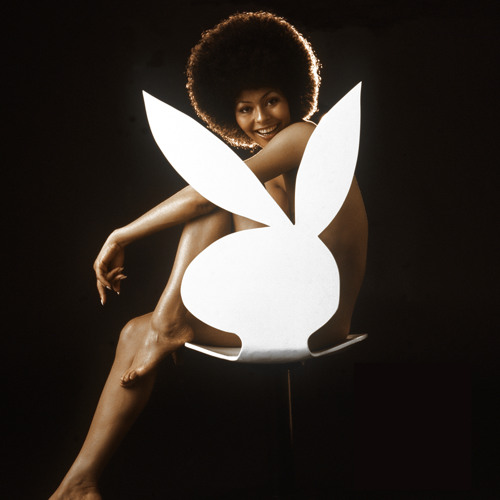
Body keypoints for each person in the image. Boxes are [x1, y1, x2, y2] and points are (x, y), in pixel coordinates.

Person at [50, 11, 368, 499]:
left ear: (293, 95)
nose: (260, 119)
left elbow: (207, 195)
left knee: (218, 193)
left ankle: (168, 323)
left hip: (317, 316)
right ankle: (80, 481)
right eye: (244, 109)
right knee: (134, 331)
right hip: (287, 305)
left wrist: (122, 234)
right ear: (228, 113)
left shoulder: (306, 137)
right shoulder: (269, 172)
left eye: (271, 100)